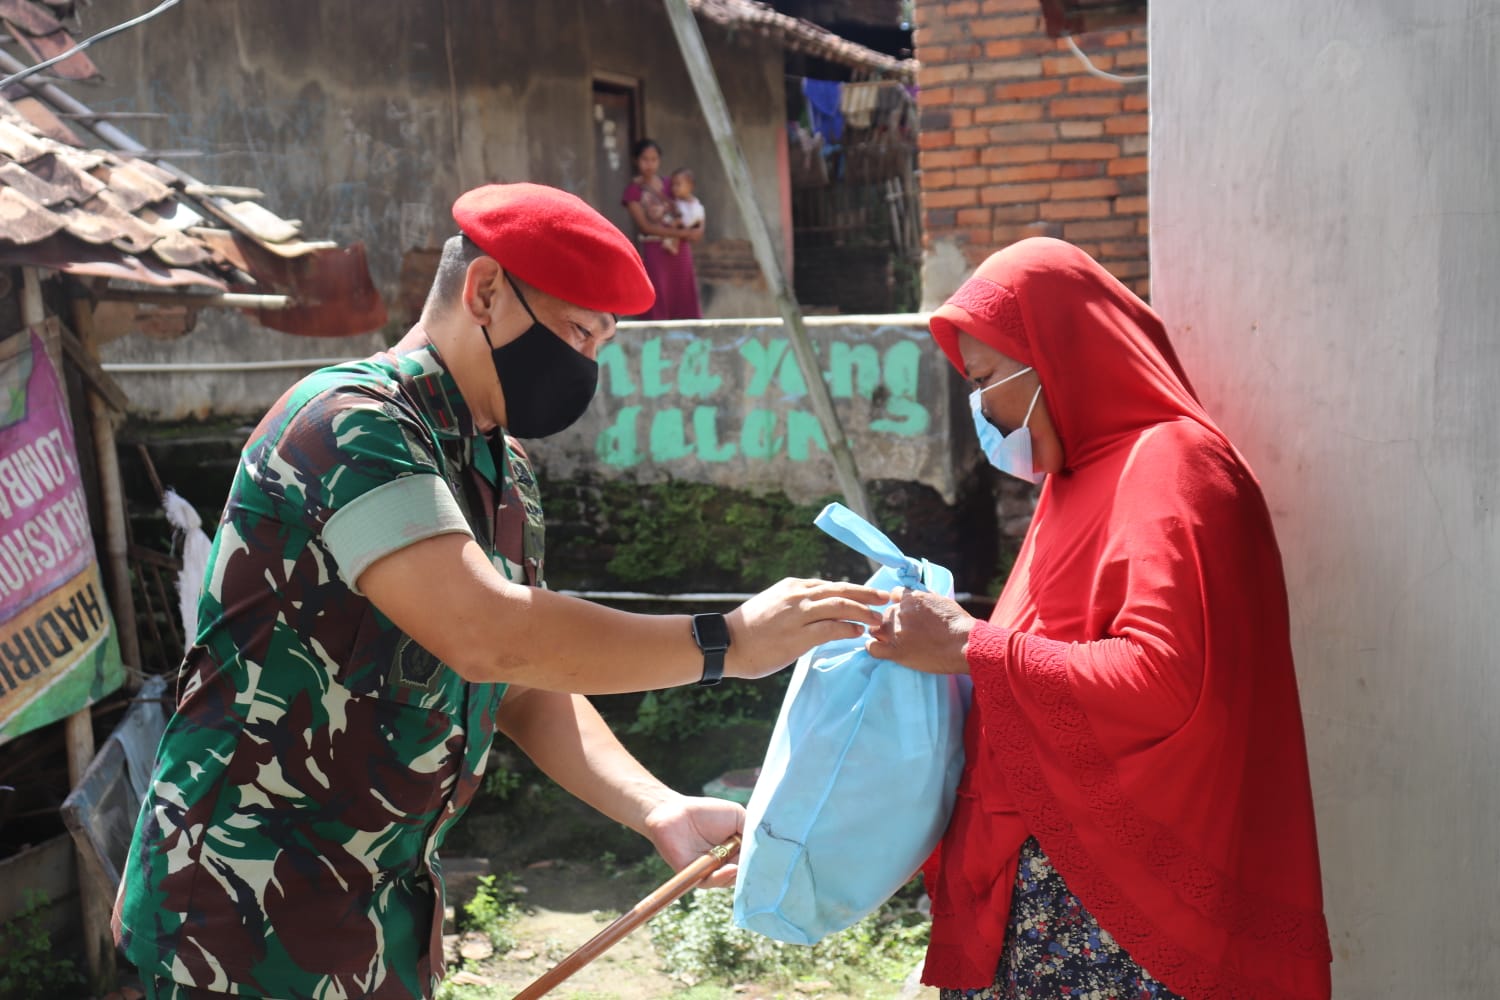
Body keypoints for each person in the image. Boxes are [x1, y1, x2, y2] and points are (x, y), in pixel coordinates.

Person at [112, 182, 886, 1000]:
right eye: (577, 331)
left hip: (378, 924)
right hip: (237, 924)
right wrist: (726, 641)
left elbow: (517, 681)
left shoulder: (500, 470)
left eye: (603, 342)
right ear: (484, 290)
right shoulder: (349, 423)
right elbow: (486, 633)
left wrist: (656, 806)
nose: (585, 363)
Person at [865, 238, 1332, 1000]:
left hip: (1114, 917)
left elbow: (1162, 679)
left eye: (985, 382)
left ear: (1054, 352)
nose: (982, 412)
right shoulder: (1076, 482)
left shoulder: (1171, 466)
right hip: (1048, 898)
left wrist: (966, 644)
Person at [622, 138, 702, 320]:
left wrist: (697, 228)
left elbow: (692, 207)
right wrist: (683, 233)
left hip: (679, 250)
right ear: (636, 160)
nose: (649, 164)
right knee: (657, 294)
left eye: (654, 159)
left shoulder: (671, 185)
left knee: (683, 295)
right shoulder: (634, 191)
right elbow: (645, 227)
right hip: (655, 250)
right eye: (645, 159)